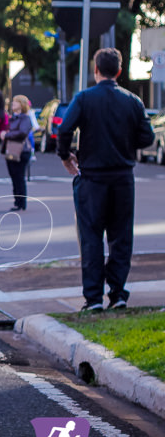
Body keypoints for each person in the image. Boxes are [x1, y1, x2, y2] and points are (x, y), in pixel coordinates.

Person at [57, 48, 154, 313]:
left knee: (91, 238)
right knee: (121, 238)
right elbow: (147, 138)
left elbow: (64, 128)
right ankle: (118, 293)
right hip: (123, 178)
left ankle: (93, 298)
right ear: (119, 71)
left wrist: (66, 156)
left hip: (92, 178)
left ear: (96, 70)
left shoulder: (85, 98)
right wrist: (125, 142)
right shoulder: (133, 101)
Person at [2, 95, 34, 212]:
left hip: (22, 151)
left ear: (21, 105)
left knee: (19, 176)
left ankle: (21, 203)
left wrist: (7, 135)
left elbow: (22, 132)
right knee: (14, 176)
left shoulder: (25, 118)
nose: (12, 104)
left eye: (15, 102)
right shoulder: (11, 118)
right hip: (11, 150)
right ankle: (17, 201)